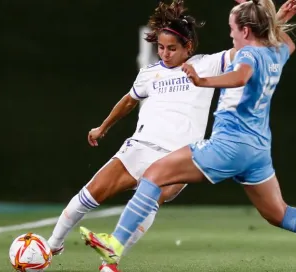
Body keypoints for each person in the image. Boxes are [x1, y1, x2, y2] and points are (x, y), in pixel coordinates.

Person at [80, 0, 296, 272]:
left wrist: (202, 80)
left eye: (233, 29)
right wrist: (274, 20)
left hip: (228, 146)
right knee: (278, 214)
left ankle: (115, 246)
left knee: (154, 174)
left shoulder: (247, 54)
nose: (231, 35)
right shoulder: (275, 52)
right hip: (256, 151)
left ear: (245, 30)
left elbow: (241, 75)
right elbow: (284, 43)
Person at [47, 1, 238, 271]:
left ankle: (109, 264)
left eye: (172, 48)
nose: (165, 53)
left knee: (150, 199)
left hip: (179, 156)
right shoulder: (149, 74)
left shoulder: (207, 65)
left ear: (189, 48)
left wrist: (267, 17)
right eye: (161, 47)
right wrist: (103, 127)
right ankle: (52, 244)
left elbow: (243, 50)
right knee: (91, 193)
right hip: (141, 147)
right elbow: (128, 101)